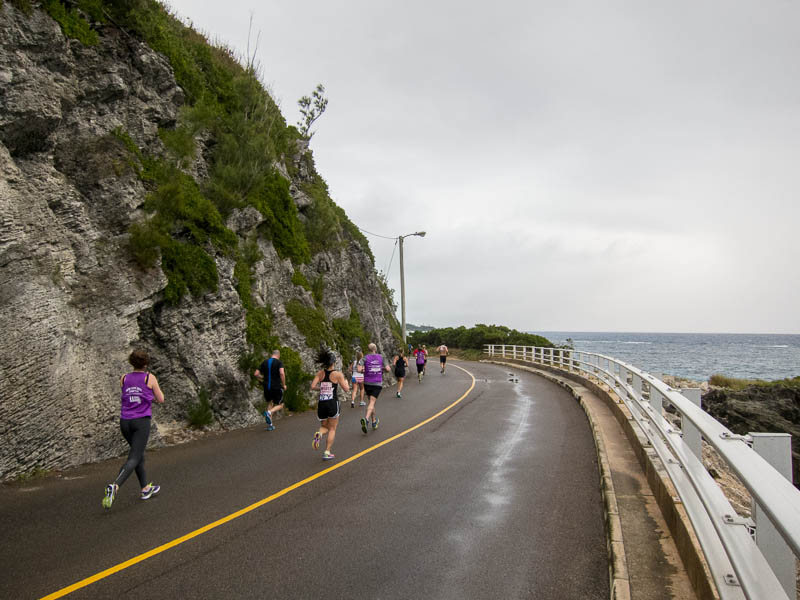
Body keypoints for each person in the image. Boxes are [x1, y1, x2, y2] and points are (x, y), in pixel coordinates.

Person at [102, 349, 165, 509]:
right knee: (135, 457)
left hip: (125, 422)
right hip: (141, 421)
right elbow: (161, 399)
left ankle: (145, 488)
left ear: (131, 362)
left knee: (137, 454)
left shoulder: (124, 378)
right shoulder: (149, 378)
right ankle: (115, 486)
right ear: (145, 364)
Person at [310, 349, 349, 461]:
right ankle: (327, 452)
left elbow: (312, 386)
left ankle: (319, 434)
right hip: (332, 403)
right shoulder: (337, 374)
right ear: (333, 363)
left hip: (322, 403)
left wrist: (321, 388)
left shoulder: (320, 373)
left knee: (324, 426)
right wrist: (346, 382)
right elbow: (346, 389)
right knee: (332, 428)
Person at [360, 343, 390, 433]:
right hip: (376, 383)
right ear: (375, 349)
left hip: (367, 383)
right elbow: (388, 369)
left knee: (371, 403)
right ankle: (366, 419)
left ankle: (373, 422)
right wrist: (381, 368)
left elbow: (359, 369)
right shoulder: (381, 357)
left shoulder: (364, 358)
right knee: (372, 403)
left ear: (368, 349)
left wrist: (365, 369)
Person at [254, 349, 286, 431]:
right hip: (276, 386)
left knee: (270, 402)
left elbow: (256, 374)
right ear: (278, 355)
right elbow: (282, 373)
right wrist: (284, 385)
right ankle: (269, 412)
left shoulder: (264, 362)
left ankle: (270, 425)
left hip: (266, 386)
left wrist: (263, 378)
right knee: (280, 405)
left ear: (272, 354)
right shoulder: (279, 362)